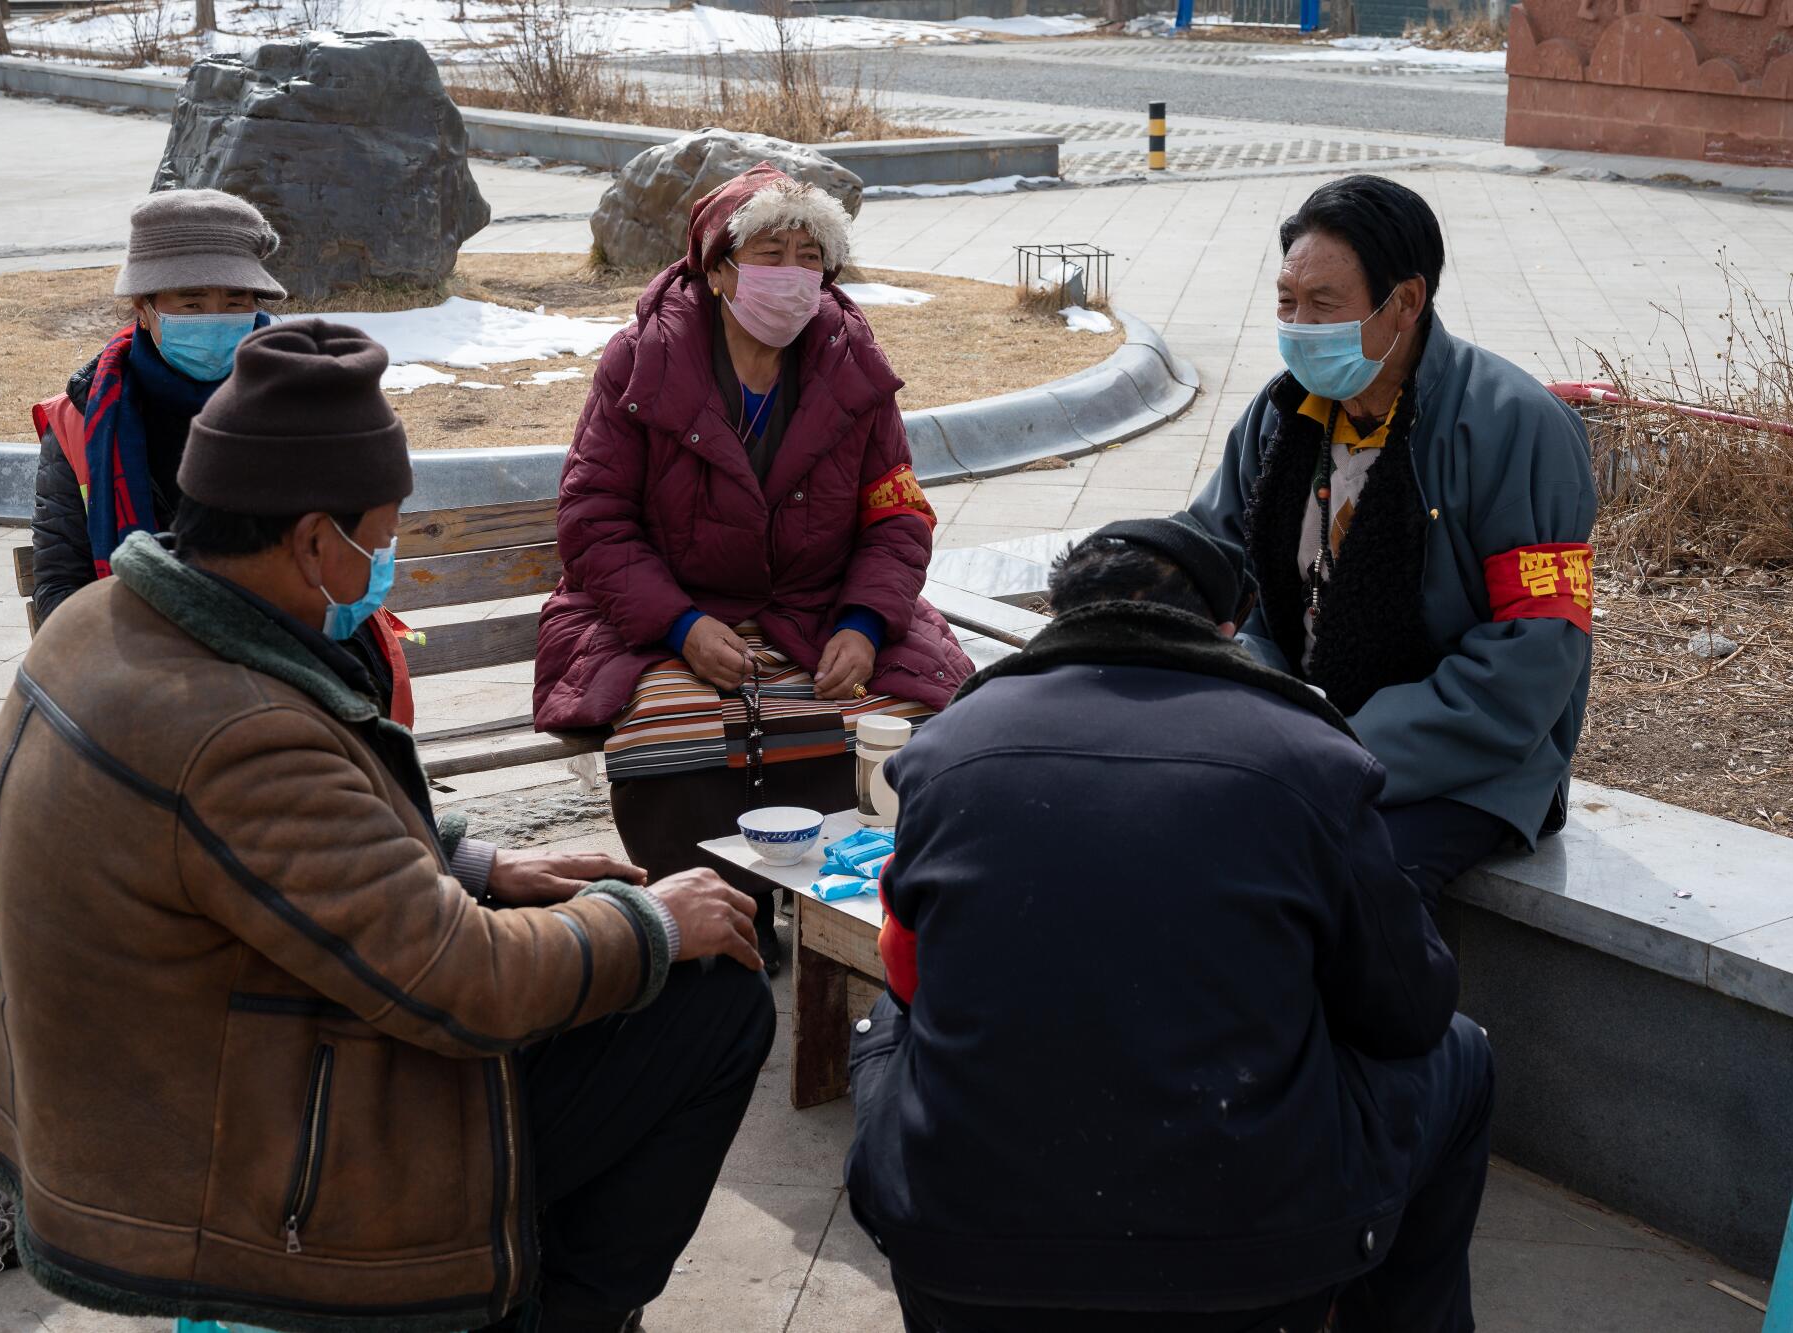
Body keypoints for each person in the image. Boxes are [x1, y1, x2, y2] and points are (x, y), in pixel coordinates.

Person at [0, 321, 775, 1333]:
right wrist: (654, 924)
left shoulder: (105, 620)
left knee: (611, 950)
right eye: (381, 533)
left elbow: (258, 861)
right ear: (311, 539)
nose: (382, 559)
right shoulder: (237, 730)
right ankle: (556, 1312)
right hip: (234, 1178)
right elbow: (465, 982)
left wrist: (480, 862)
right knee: (707, 997)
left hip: (150, 1101)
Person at [847, 517, 1495, 1333]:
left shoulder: (946, 749)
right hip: (1255, 1270)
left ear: (1059, 615)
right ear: (1225, 635)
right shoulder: (1309, 755)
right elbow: (1410, 1008)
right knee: (1461, 1054)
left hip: (961, 1257)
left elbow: (907, 973)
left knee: (884, 1025)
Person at [533, 164, 974, 965]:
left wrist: (866, 623)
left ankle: (846, 910)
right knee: (672, 740)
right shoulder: (640, 362)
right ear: (717, 266)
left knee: (915, 732)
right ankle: (714, 920)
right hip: (664, 617)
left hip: (817, 609)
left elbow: (897, 510)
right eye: (773, 252)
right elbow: (592, 519)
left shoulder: (853, 363)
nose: (794, 277)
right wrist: (681, 623)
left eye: (813, 257)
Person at [1189, 174, 1597, 906]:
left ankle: (1409, 1025)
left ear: (1405, 302)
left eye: (1324, 305)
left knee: (1338, 881)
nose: (1298, 326)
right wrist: (1269, 711)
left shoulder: (1516, 427)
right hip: (1296, 740)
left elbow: (1534, 655)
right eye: (1287, 302)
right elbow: (1212, 570)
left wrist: (1340, 748)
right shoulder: (1280, 415)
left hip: (1469, 765)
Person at [27, 188, 421, 726]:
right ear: (144, 308)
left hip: (308, 656)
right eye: (191, 302)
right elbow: (61, 588)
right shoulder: (82, 423)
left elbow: (351, 555)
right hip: (147, 672)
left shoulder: (313, 396)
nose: (217, 316)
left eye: (237, 301)